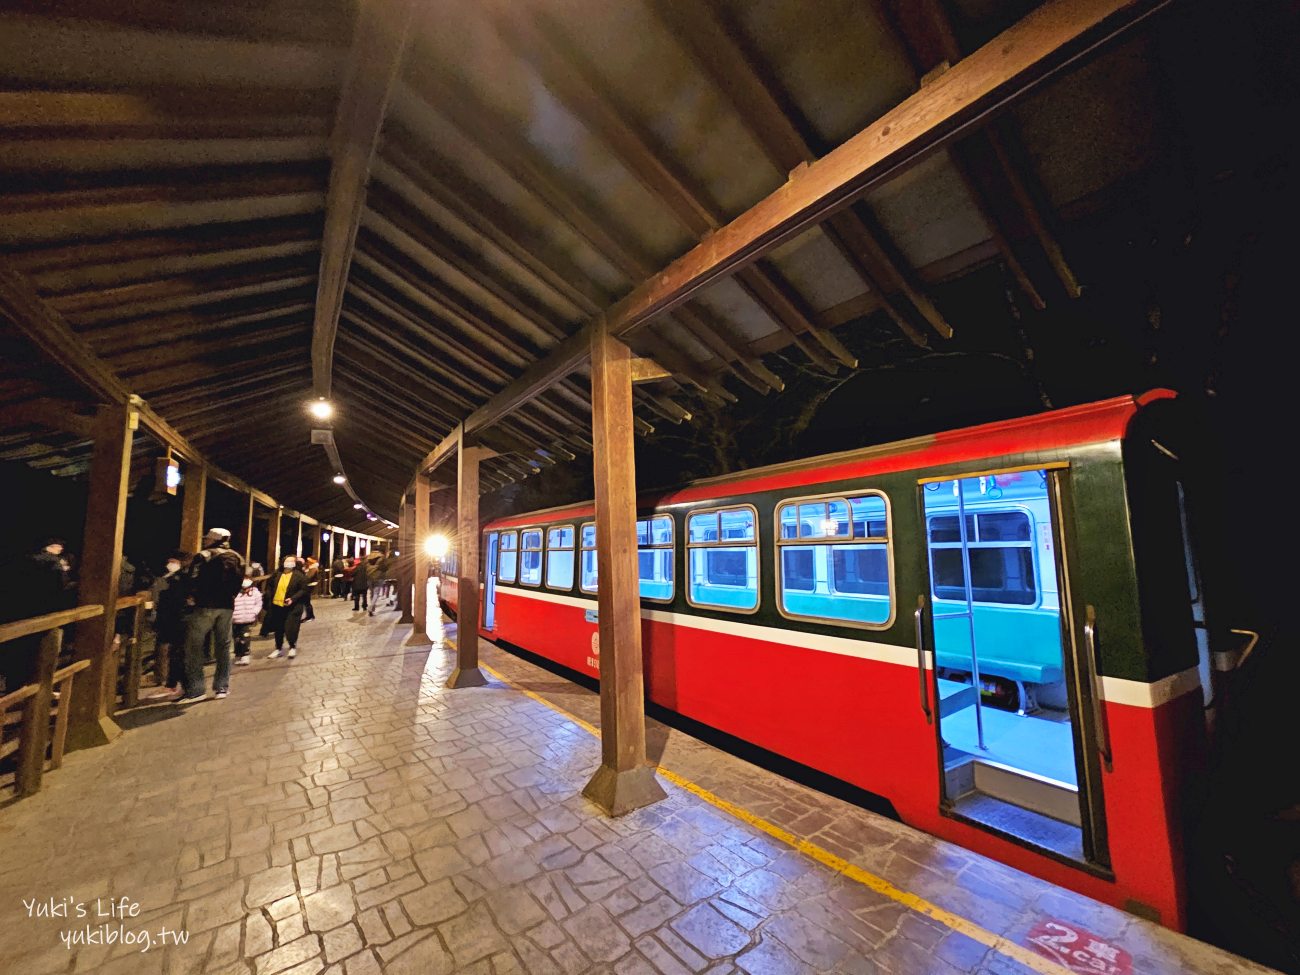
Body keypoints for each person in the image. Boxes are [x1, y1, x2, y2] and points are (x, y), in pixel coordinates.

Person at [174, 528, 245, 703]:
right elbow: (239, 582)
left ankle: (197, 689)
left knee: (193, 646)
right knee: (224, 646)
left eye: (207, 538)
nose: (205, 541)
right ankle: (222, 687)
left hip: (205, 605)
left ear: (214, 540)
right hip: (227, 606)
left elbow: (192, 578)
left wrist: (192, 596)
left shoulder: (204, 555)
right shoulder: (237, 557)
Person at [0, 537, 72, 694]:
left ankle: (14, 688)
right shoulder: (54, 564)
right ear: (53, 547)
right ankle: (36, 693)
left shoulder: (24, 560)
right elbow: (59, 587)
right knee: (39, 652)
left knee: (17, 650)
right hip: (43, 612)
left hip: (19, 611)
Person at [142, 551, 190, 700]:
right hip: (168, 619)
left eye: (173, 561)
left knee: (176, 653)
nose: (169, 563)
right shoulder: (164, 579)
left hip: (176, 619)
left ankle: (174, 684)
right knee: (172, 652)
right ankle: (169, 681)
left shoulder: (180, 580)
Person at [264, 556, 307, 659]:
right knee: (278, 628)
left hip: (292, 607)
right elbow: (269, 586)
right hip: (277, 605)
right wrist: (269, 597)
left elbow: (303, 590)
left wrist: (293, 598)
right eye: (287, 561)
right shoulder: (277, 574)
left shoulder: (299, 576)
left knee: (291, 627)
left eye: (291, 561)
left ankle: (292, 646)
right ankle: (278, 648)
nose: (289, 563)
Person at [231, 572, 263, 666]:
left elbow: (259, 603)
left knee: (245, 636)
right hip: (236, 619)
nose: (245, 589)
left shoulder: (255, 592)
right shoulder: (235, 592)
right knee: (236, 638)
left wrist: (254, 612)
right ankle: (238, 654)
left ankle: (245, 654)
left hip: (247, 618)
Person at [301, 556, 319, 622]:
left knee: (307, 602)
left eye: (309, 561)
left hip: (309, 586)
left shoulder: (313, 568)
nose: (308, 562)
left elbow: (309, 577)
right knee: (306, 602)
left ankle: (310, 616)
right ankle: (309, 616)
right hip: (309, 585)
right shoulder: (310, 568)